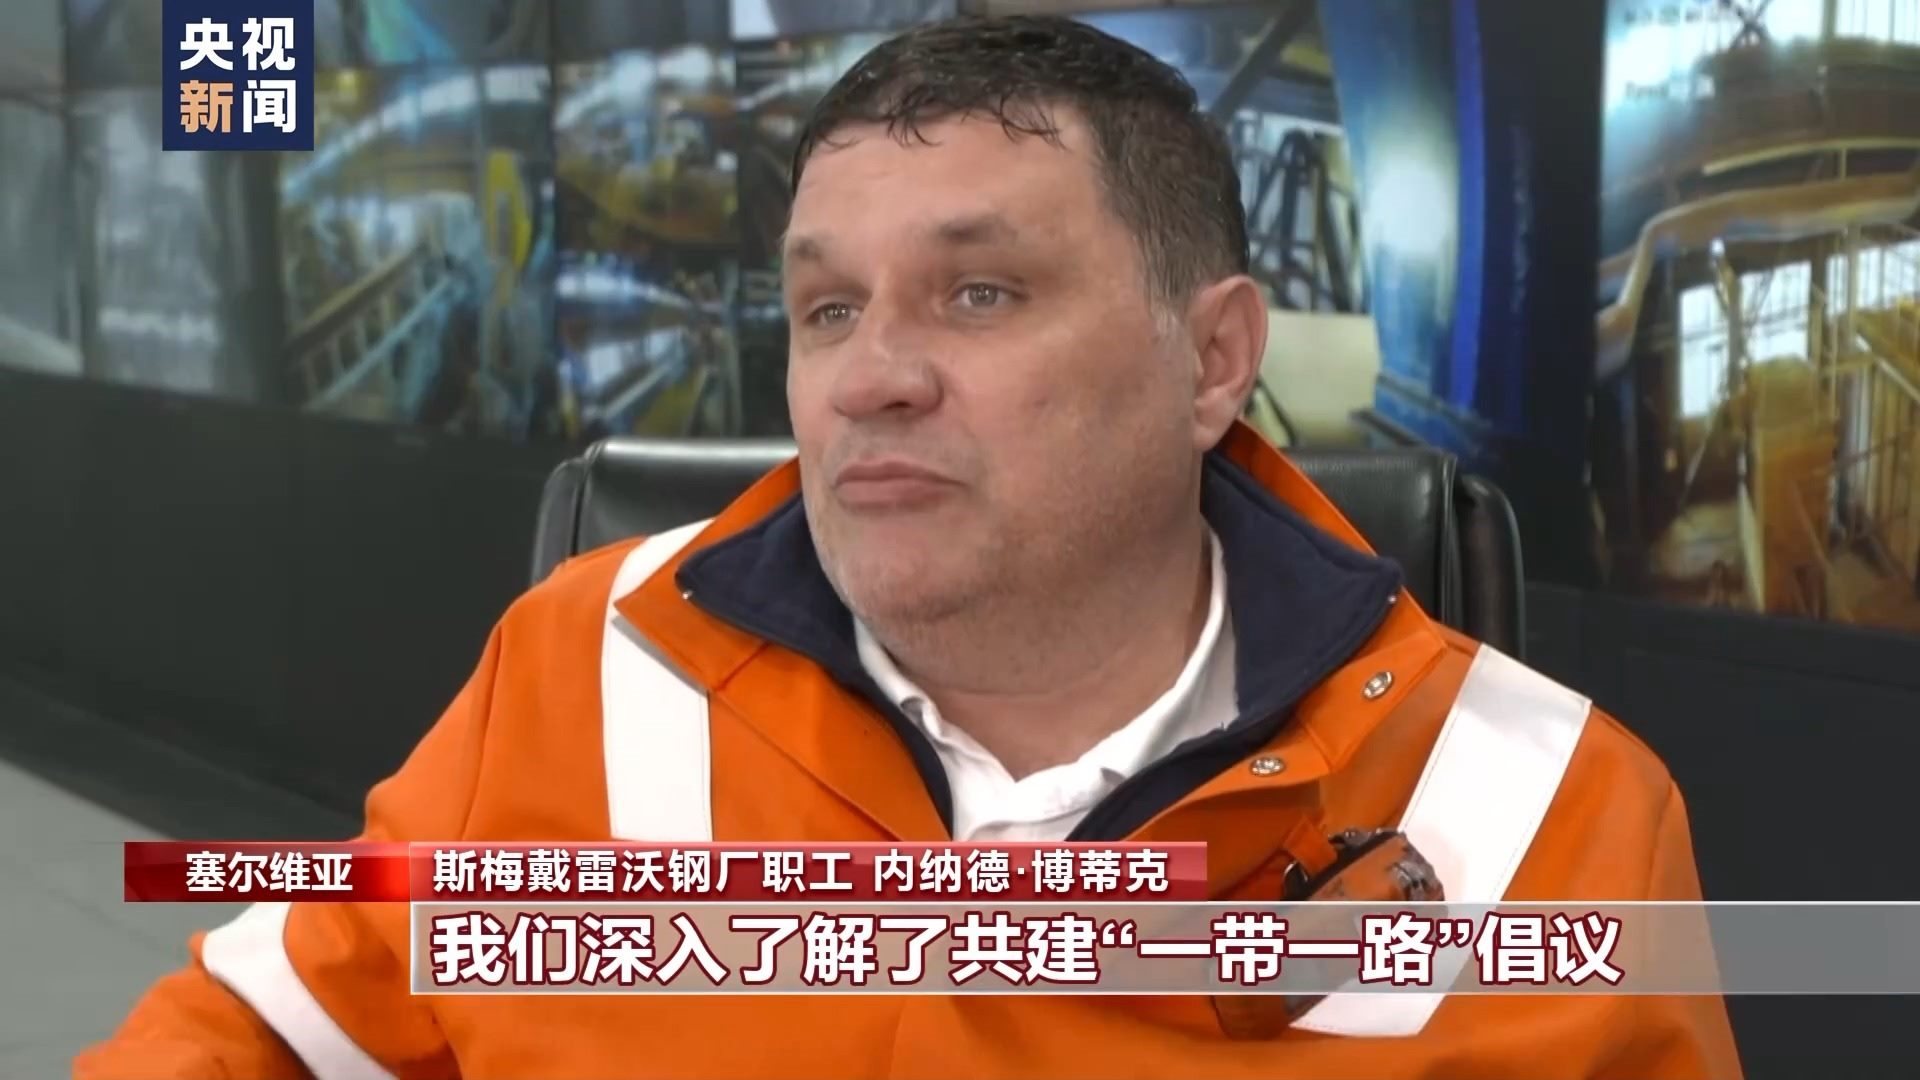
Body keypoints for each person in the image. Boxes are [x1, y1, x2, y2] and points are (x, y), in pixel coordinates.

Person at [78, 15, 1742, 1080]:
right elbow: (262, 1022)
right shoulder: (590, 660)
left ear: (1213, 358)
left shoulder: (1549, 814)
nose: (870, 376)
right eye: (826, 308)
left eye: (980, 292)